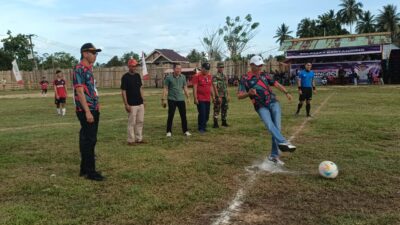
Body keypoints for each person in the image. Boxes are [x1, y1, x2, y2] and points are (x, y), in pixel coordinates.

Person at [238, 55, 296, 165]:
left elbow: (276, 84)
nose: (260, 67)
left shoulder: (265, 75)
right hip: (260, 106)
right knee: (269, 125)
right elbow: (239, 95)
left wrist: (286, 92)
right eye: (257, 65)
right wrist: (248, 93)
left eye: (261, 65)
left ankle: (274, 156)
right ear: (251, 65)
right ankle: (283, 142)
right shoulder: (245, 78)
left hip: (273, 102)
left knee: (277, 127)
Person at [72, 43, 104, 181]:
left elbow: (90, 90)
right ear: (85, 53)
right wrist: (87, 111)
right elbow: (79, 91)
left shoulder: (88, 69)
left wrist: (96, 104)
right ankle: (90, 172)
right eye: (93, 52)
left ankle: (84, 169)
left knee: (86, 138)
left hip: (93, 107)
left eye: (96, 53)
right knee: (90, 139)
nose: (95, 55)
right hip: (87, 109)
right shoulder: (79, 69)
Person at [162, 63, 191, 137]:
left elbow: (185, 87)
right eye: (177, 68)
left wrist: (188, 97)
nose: (179, 70)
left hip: (181, 99)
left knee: (183, 116)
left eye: (180, 68)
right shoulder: (168, 77)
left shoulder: (183, 77)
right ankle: (168, 131)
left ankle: (185, 131)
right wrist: (163, 99)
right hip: (171, 99)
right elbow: (165, 88)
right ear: (174, 69)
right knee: (171, 115)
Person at [121, 59, 145, 145]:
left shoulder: (138, 76)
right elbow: (123, 91)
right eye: (133, 66)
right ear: (129, 66)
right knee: (132, 122)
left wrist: (143, 100)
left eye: (136, 66)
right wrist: (126, 104)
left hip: (140, 103)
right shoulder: (125, 77)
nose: (135, 68)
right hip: (131, 104)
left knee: (140, 121)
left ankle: (139, 139)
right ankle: (131, 140)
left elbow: (140, 88)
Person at [193, 62, 215, 133]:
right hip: (200, 98)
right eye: (205, 69)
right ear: (202, 68)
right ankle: (201, 128)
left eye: (208, 70)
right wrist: (195, 98)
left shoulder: (209, 76)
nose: (207, 71)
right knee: (202, 113)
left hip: (207, 98)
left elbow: (210, 87)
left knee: (207, 114)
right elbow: (195, 88)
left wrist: (213, 96)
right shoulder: (197, 76)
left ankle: (203, 125)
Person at [212, 62, 230, 128]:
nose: (221, 68)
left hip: (224, 95)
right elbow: (214, 87)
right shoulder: (215, 76)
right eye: (220, 67)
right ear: (217, 68)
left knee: (225, 109)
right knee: (217, 109)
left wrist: (228, 95)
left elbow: (226, 86)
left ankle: (224, 122)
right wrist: (217, 96)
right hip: (219, 96)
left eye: (222, 67)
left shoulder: (225, 76)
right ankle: (215, 123)